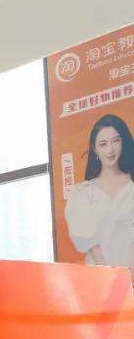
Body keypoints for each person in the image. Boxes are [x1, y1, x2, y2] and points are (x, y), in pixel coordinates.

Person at [64, 114, 134, 277]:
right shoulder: (84, 193)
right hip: (100, 278)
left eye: (115, 141)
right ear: (95, 149)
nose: (110, 150)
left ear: (123, 142)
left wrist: (130, 278)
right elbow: (91, 244)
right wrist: (111, 278)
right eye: (103, 144)